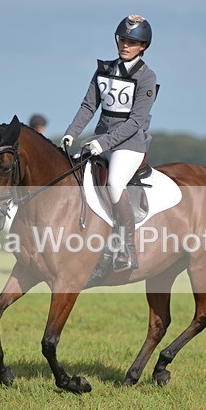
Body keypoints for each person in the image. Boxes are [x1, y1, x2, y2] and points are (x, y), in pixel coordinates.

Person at [61, 14, 158, 272]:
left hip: (130, 143)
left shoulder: (147, 77)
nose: (125, 45)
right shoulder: (103, 70)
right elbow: (88, 106)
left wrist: (104, 143)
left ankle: (128, 249)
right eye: (122, 40)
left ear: (143, 46)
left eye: (132, 42)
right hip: (100, 140)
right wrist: (72, 133)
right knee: (73, 174)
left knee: (115, 183)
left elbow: (136, 121)